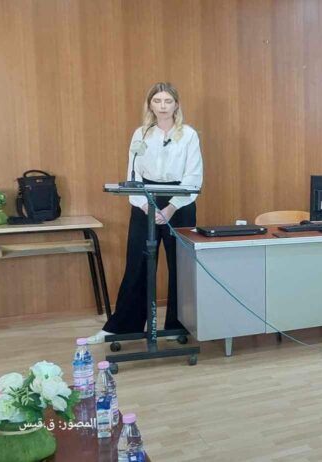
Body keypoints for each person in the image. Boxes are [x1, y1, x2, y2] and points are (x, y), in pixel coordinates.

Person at [87, 82, 203, 344]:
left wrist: (171, 208)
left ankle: (178, 326)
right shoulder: (141, 133)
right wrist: (145, 205)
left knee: (180, 266)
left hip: (180, 202)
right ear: (150, 104)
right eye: (157, 101)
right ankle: (121, 327)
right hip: (145, 201)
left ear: (176, 105)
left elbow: (194, 176)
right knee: (137, 264)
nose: (163, 106)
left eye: (168, 101)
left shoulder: (188, 135)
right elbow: (133, 174)